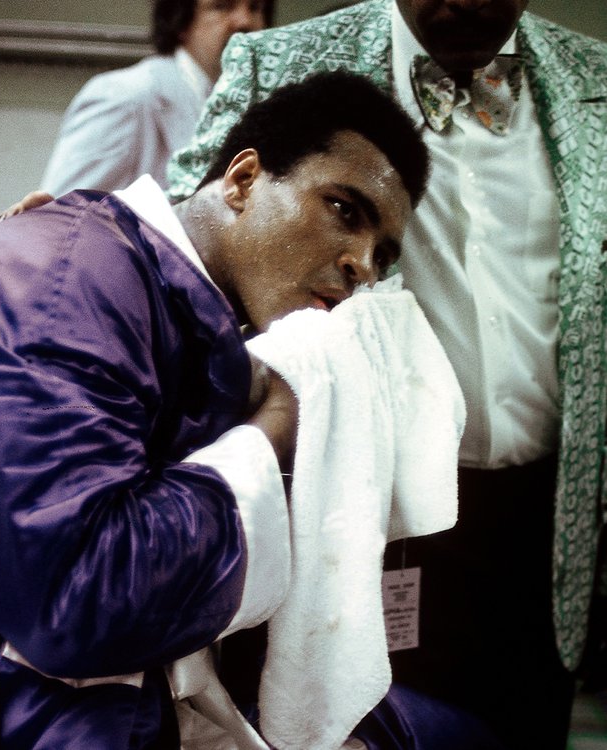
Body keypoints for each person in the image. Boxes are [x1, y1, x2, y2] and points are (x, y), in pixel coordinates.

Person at [0, 71, 432, 750]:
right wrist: (277, 427)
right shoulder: (62, 272)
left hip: (74, 694)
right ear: (243, 180)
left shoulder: (203, 319)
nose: (363, 264)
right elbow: (78, 598)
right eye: (344, 209)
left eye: (383, 253)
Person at [167, 1, 607, 748]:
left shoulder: (594, 79)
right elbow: (184, 239)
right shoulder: (279, 62)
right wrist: (38, 233)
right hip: (357, 508)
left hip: (549, 521)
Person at [40, 0, 274, 196]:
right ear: (180, 20)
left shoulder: (258, 106)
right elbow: (61, 224)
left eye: (255, 7)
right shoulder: (125, 96)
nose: (246, 22)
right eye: (222, 6)